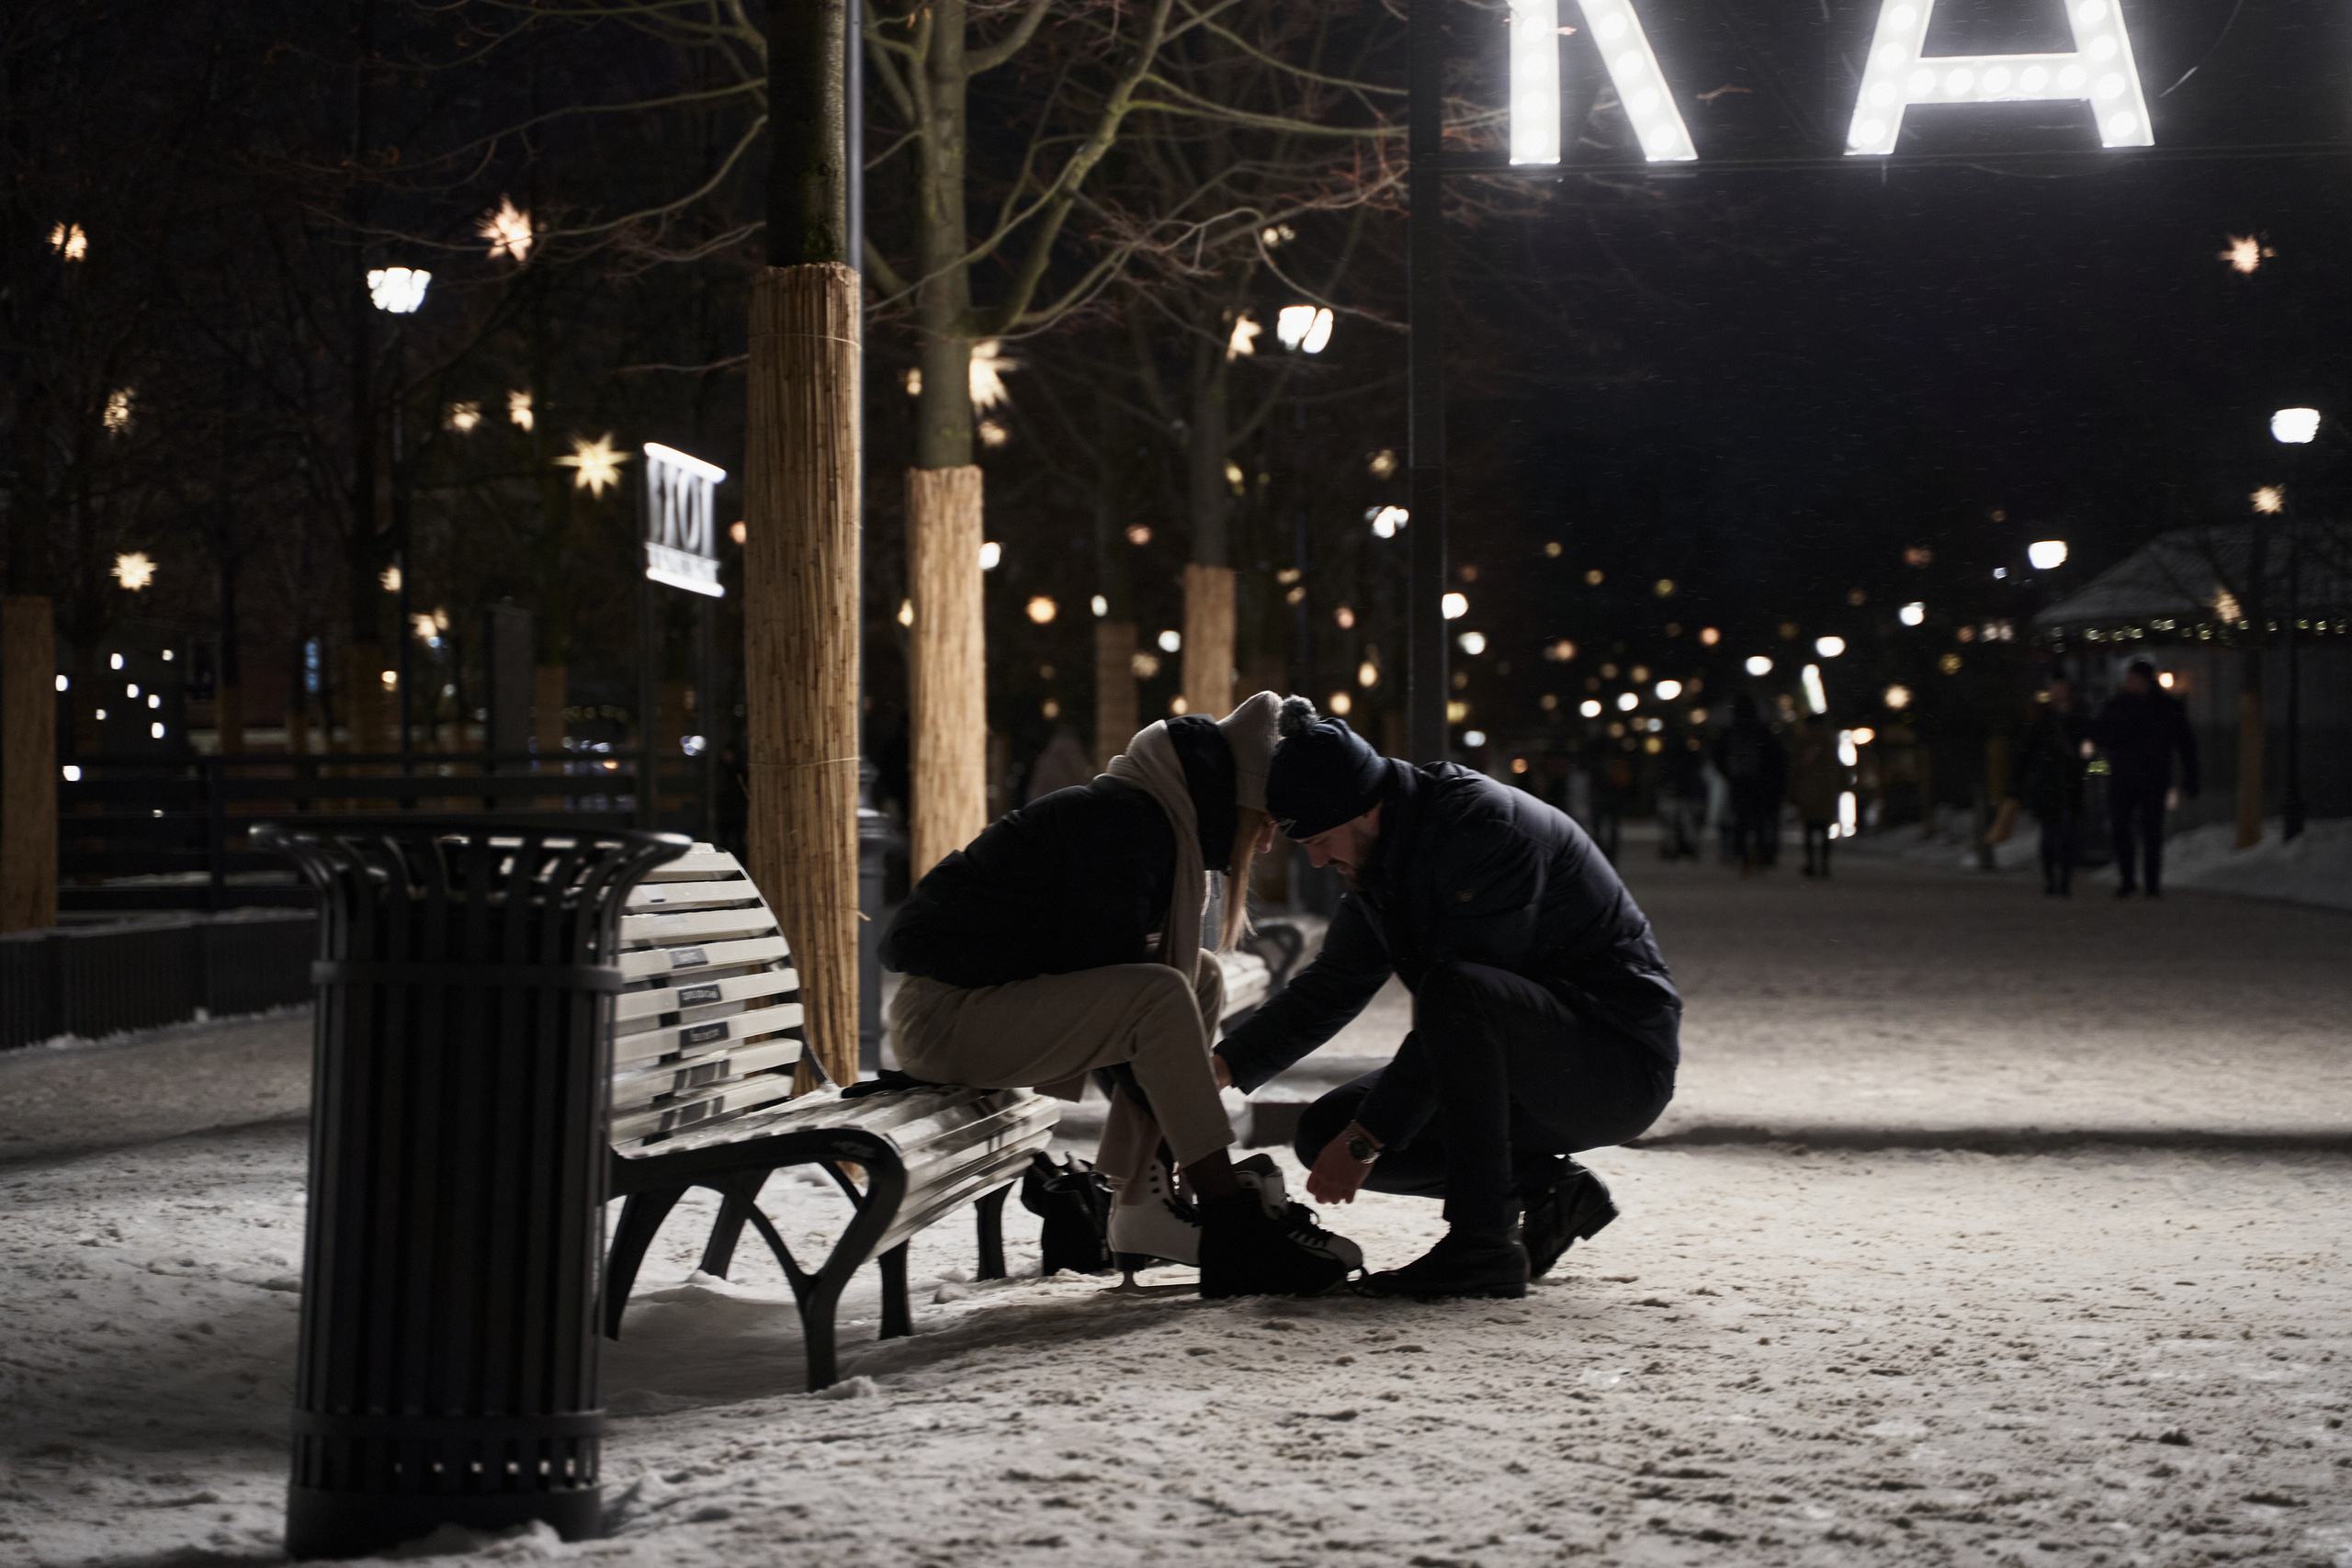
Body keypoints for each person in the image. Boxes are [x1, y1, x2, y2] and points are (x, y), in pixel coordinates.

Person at [879, 693, 1359, 1297]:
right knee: (1162, 992)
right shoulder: (1124, 825)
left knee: (1198, 976)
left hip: (979, 1009)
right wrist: (1203, 1150)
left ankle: (1144, 1203)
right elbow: (1123, 1001)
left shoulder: (1152, 819)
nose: (1265, 844)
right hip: (943, 1018)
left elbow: (1115, 998)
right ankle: (1231, 1224)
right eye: (1264, 822)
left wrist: (1177, 1120)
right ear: (1235, 801)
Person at [1213, 700, 1680, 1300]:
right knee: (1323, 1129)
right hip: (1518, 1057)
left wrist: (1366, 1139)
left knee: (1449, 1003)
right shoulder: (1384, 851)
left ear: (1365, 809)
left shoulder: (1484, 831)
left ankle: (1483, 1245)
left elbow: (1467, 1004)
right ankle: (1548, 1189)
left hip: (1615, 1065)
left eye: (1322, 840)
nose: (1318, 859)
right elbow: (1335, 983)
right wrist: (1223, 1066)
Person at [2091, 660, 2198, 898]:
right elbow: (2100, 734)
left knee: (2151, 832)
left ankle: (2150, 882)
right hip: (2125, 777)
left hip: (2152, 778)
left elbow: (2185, 743)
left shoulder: (2165, 707)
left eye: (2135, 679)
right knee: (2123, 829)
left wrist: (2191, 775)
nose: (2132, 684)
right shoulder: (2119, 705)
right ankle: (2128, 879)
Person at [2011, 675, 2092, 897]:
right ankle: (2051, 879)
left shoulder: (2078, 718)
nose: (2058, 692)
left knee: (2068, 837)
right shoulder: (2043, 720)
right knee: (2050, 837)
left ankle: (2064, 880)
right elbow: (2027, 751)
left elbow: (2088, 747)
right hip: (2049, 785)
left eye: (2061, 687)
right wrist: (2019, 779)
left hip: (2070, 784)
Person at [1713, 693, 1786, 874]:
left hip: (1740, 783)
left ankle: (1744, 858)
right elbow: (1777, 758)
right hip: (1759, 785)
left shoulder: (1731, 732)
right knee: (1759, 823)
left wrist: (1730, 775)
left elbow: (1718, 756)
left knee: (1741, 822)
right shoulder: (1761, 732)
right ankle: (1759, 858)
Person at [1786, 719, 1849, 879]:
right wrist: (1843, 785)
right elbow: (1838, 766)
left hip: (1808, 793)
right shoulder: (1828, 743)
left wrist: (1792, 791)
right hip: (1826, 793)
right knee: (1824, 830)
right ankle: (1824, 865)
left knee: (1809, 830)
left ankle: (1811, 864)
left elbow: (1795, 769)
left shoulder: (1804, 743)